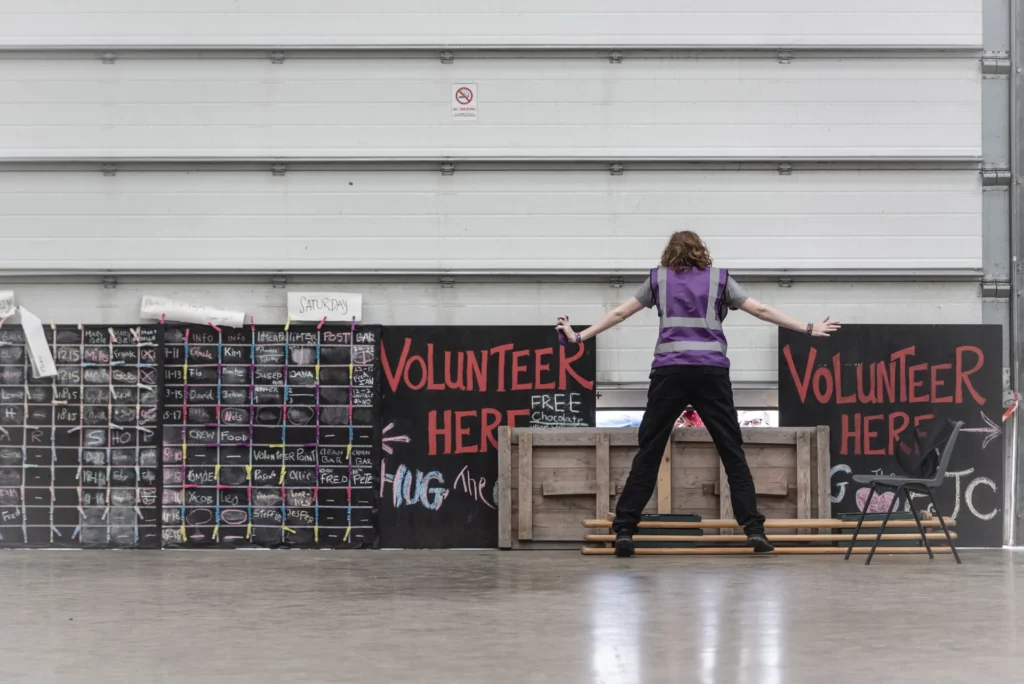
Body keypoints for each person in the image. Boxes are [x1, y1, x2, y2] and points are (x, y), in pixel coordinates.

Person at [555, 231, 839, 557]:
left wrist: (579, 337)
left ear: (668, 253)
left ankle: (624, 531)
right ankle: (754, 530)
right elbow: (760, 310)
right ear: (701, 251)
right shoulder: (720, 279)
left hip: (669, 373)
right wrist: (807, 328)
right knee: (732, 451)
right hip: (711, 374)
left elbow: (620, 313)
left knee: (649, 452)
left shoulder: (658, 279)